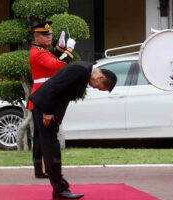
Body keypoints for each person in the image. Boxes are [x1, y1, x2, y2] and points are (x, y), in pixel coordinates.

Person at [29, 61, 117, 199]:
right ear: (101, 78)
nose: (95, 88)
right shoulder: (80, 70)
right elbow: (53, 88)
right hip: (46, 109)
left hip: (48, 109)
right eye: (99, 88)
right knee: (51, 148)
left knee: (49, 146)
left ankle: (59, 189)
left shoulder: (83, 70)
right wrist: (48, 111)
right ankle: (60, 190)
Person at [28, 21, 76, 179]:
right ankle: (43, 169)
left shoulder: (42, 50)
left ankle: (41, 168)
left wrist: (60, 48)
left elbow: (51, 62)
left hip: (42, 95)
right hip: (43, 97)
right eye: (44, 34)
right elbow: (57, 66)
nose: (48, 37)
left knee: (41, 135)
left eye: (49, 34)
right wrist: (69, 50)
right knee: (45, 136)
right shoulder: (39, 52)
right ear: (36, 36)